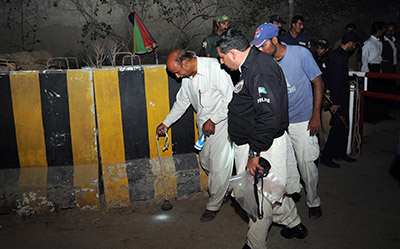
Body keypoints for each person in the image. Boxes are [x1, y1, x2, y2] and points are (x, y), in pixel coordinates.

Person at [217, 29, 308, 249]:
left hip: (261, 146)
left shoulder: (260, 69)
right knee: (270, 189)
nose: (221, 63)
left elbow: (269, 115)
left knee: (258, 200)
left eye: (221, 57)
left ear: (233, 52)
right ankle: (294, 223)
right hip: (255, 142)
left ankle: (254, 244)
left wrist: (254, 153)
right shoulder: (251, 66)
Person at [251, 23, 323, 219]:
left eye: (262, 45)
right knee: (282, 167)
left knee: (306, 165)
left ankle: (313, 201)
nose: (260, 50)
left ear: (275, 40)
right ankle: (288, 212)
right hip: (280, 124)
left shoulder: (300, 54)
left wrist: (316, 115)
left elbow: (317, 81)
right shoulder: (265, 61)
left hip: (303, 120)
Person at [156, 50, 234, 222]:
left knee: (218, 166)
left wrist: (214, 119)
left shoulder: (215, 68)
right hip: (203, 125)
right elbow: (182, 102)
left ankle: (213, 204)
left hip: (222, 122)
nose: (176, 76)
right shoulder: (187, 79)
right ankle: (226, 189)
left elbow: (230, 98)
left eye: (177, 71)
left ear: (185, 63)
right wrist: (166, 123)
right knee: (205, 161)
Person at [320, 31, 360, 168]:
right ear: (349, 43)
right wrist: (335, 102)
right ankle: (327, 156)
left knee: (343, 127)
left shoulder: (340, 55)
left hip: (341, 96)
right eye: (354, 45)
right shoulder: (338, 57)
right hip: (338, 98)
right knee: (338, 127)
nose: (354, 48)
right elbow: (336, 80)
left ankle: (340, 153)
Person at [361, 21, 386, 122]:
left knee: (377, 92)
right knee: (369, 93)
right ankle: (368, 117)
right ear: (378, 30)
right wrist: (366, 74)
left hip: (377, 68)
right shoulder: (369, 43)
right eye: (383, 29)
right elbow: (364, 59)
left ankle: (375, 115)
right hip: (370, 69)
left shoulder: (379, 42)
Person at [313, 38, 331, 151]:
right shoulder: (313, 59)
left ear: (327, 49)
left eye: (322, 49)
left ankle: (326, 149)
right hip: (313, 95)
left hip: (325, 95)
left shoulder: (329, 61)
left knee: (326, 125)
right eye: (318, 48)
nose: (319, 51)